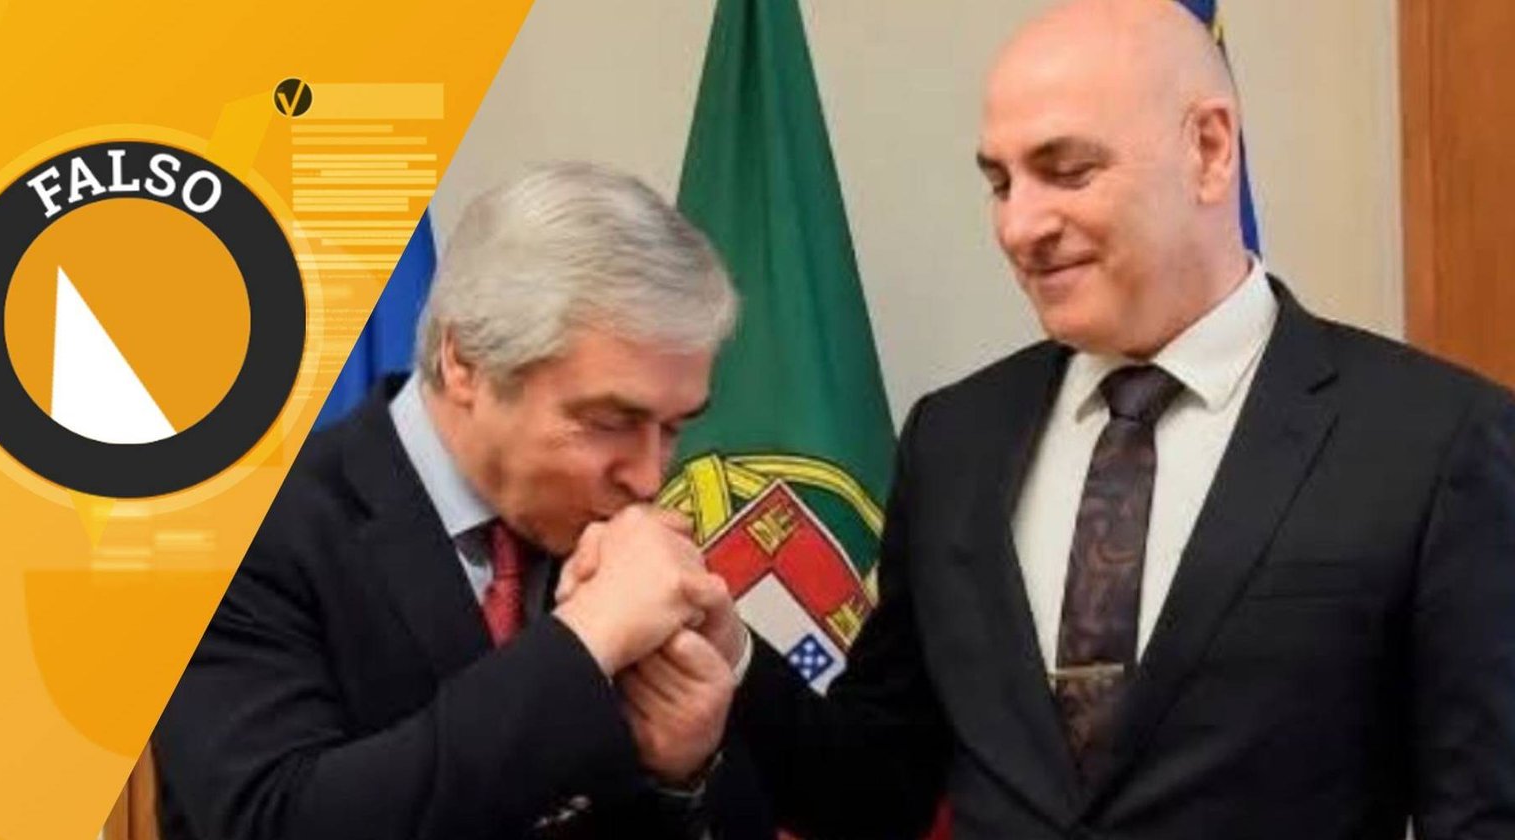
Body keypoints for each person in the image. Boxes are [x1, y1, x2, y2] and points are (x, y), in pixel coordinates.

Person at [613, 1, 1515, 837]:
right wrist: (731, 656)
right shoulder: (955, 441)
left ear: (1209, 150)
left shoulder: (1434, 442)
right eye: (1000, 182)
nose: (1019, 226)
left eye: (1065, 171)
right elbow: (874, 791)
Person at [152, 161, 771, 839]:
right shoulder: (244, 529)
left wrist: (682, 774)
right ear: (465, 361)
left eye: (674, 428)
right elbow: (274, 820)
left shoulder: (612, 535)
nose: (649, 478)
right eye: (608, 421)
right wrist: (585, 641)